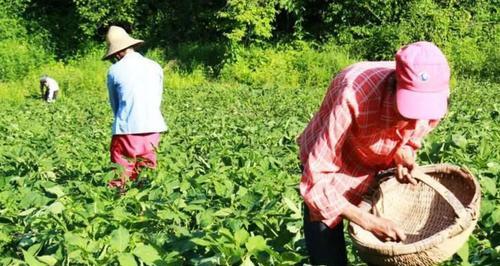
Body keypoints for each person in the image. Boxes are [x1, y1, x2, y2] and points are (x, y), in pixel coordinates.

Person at [298, 41, 450, 265]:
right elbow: (316, 181)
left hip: (374, 160)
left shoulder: (436, 93)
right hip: (332, 166)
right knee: (326, 244)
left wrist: (404, 150)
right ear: (395, 84)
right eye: (411, 108)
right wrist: (365, 220)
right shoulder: (351, 93)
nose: (417, 119)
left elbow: (419, 129)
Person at [102, 25, 167, 190]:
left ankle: (118, 208)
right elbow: (157, 97)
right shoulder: (155, 66)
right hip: (153, 128)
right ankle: (144, 209)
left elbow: (115, 104)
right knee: (146, 174)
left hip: (126, 130)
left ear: (116, 53)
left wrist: (124, 118)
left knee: (121, 176)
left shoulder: (115, 70)